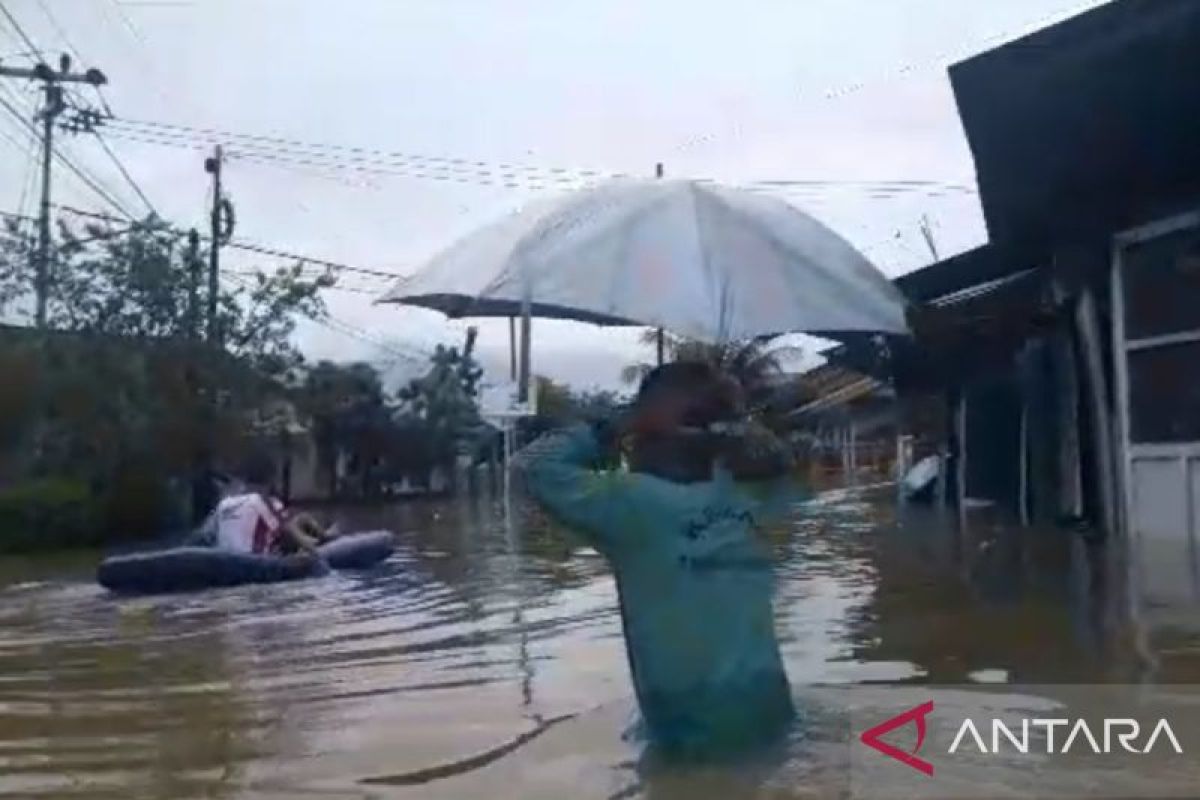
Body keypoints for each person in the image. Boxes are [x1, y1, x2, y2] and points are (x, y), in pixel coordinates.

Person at [518, 362, 798, 759]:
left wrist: (619, 425)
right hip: (772, 712)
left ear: (649, 432)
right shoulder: (751, 497)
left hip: (689, 731)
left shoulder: (630, 504)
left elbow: (534, 466)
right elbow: (781, 464)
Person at [214, 452, 337, 557]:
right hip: (256, 560)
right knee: (292, 529)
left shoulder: (225, 503)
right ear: (270, 479)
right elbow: (288, 531)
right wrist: (315, 551)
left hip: (227, 557)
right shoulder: (262, 501)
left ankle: (325, 536)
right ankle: (324, 539)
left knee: (301, 519)